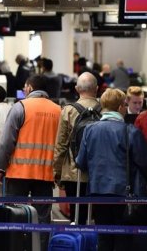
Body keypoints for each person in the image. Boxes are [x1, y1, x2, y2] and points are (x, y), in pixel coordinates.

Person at [76, 88, 147, 251]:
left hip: (98, 192)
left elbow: (81, 162)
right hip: (125, 193)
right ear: (121, 107)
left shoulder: (90, 129)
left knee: (104, 236)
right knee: (123, 237)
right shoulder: (130, 131)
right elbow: (143, 163)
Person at [0, 74, 61, 250]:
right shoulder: (58, 110)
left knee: (15, 215)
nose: (24, 90)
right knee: (42, 218)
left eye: (25, 87)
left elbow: (6, 142)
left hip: (19, 172)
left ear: (30, 88)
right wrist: (58, 172)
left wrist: (0, 167)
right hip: (46, 174)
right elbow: (62, 144)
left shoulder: (20, 107)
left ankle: (16, 247)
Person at [53, 72, 99, 224]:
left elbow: (61, 144)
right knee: (98, 217)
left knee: (76, 215)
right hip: (98, 173)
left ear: (77, 89)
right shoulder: (103, 109)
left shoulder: (69, 110)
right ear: (97, 89)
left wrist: (57, 172)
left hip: (74, 172)